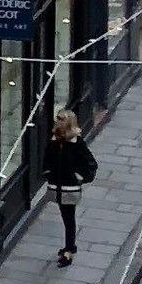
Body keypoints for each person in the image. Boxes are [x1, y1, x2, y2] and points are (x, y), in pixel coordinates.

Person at [45, 107, 97, 263]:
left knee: (69, 218)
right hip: (58, 186)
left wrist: (80, 177)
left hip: (69, 187)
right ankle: (69, 246)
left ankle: (69, 249)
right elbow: (47, 159)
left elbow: (90, 163)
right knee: (66, 217)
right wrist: (47, 173)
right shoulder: (55, 140)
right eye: (58, 118)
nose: (57, 121)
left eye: (61, 119)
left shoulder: (76, 143)